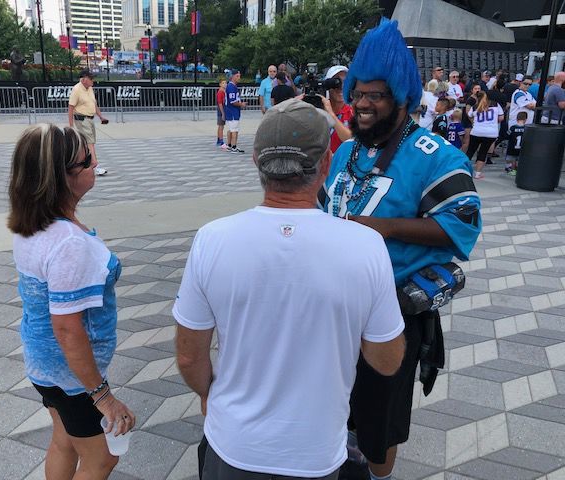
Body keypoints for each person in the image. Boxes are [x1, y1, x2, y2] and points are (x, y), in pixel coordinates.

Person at [175, 99, 406, 480]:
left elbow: (188, 356)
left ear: (255, 161)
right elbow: (386, 360)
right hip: (315, 450)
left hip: (233, 443)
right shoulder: (364, 245)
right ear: (326, 165)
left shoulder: (212, 239)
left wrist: (208, 393)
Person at [317, 18, 481, 480]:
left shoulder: (438, 155)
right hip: (330, 312)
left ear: (402, 98)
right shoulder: (348, 152)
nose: (362, 105)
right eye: (358, 93)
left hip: (390, 315)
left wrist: (380, 227)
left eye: (376, 95)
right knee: (330, 408)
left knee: (378, 425)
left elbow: (459, 226)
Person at [8, 124, 136, 480]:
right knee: (101, 459)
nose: (96, 163)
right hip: (72, 376)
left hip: (43, 365)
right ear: (62, 177)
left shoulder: (33, 223)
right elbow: (67, 328)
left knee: (64, 440)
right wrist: (103, 396)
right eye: (87, 160)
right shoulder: (68, 244)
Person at [68, 69, 108, 176]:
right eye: (91, 78)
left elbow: (93, 104)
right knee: (90, 142)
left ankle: (79, 164)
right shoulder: (76, 89)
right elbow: (71, 107)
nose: (93, 81)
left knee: (87, 142)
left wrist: (100, 117)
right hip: (81, 119)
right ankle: (95, 165)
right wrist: (71, 125)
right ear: (84, 79)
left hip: (90, 119)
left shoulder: (90, 88)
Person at [466, 91, 504, 179]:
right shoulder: (495, 104)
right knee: (483, 152)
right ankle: (477, 173)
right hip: (491, 132)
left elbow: (469, 115)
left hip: (477, 131)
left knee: (470, 151)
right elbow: (501, 118)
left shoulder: (475, 106)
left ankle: (464, 170)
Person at [321, 65, 353, 153]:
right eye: (336, 82)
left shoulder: (353, 111)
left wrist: (331, 115)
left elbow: (351, 140)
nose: (341, 87)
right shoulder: (319, 110)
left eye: (345, 82)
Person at [225, 69, 246, 153]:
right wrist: (241, 104)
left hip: (230, 111)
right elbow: (233, 101)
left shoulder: (231, 86)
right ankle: (234, 146)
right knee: (234, 130)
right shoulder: (231, 86)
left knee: (230, 129)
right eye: (237, 76)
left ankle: (229, 145)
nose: (239, 78)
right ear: (233, 76)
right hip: (233, 111)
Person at [460, 83, 482, 153]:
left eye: (479, 89)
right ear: (472, 90)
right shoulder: (471, 99)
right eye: (476, 89)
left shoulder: (479, 99)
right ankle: (462, 155)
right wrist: (473, 122)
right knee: (466, 141)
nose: (477, 90)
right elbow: (468, 112)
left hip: (474, 122)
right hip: (468, 122)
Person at [506, 111, 527, 176]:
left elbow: (507, 135)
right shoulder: (526, 128)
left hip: (512, 146)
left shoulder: (513, 128)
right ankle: (519, 170)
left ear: (517, 119)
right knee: (519, 159)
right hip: (522, 147)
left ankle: (513, 170)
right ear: (525, 119)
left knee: (513, 159)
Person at [215, 79, 227, 149]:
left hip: (223, 110)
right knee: (221, 126)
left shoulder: (223, 92)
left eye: (225, 83)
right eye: (223, 83)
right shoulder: (220, 92)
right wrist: (223, 113)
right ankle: (221, 141)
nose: (225, 84)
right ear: (220, 84)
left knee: (221, 126)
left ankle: (219, 139)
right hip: (221, 110)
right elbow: (220, 104)